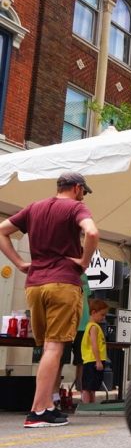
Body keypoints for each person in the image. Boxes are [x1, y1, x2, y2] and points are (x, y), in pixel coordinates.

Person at [0, 172, 99, 428]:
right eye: (84, 191)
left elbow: (2, 231)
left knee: (47, 349)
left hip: (35, 284)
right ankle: (37, 410)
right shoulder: (76, 207)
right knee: (55, 348)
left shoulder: (35, 207)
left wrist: (20, 263)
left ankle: (46, 406)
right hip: (63, 282)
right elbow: (92, 232)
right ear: (77, 188)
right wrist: (85, 262)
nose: (83, 196)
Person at [81, 299, 109, 404]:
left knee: (92, 386)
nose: (104, 317)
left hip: (92, 360)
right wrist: (98, 361)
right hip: (92, 360)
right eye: (102, 314)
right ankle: (87, 405)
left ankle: (90, 404)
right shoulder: (93, 327)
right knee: (88, 386)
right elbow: (94, 344)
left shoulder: (92, 326)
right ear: (93, 312)